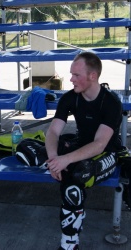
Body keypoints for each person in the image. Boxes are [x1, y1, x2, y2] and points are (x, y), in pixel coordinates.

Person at [45, 52, 123, 250]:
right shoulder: (71, 97)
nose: (70, 79)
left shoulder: (111, 102)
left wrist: (65, 160)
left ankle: (69, 242)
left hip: (107, 153)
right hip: (80, 148)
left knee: (77, 175)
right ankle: (76, 211)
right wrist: (54, 158)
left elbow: (99, 144)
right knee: (32, 150)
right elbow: (53, 131)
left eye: (76, 75)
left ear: (93, 76)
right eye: (71, 74)